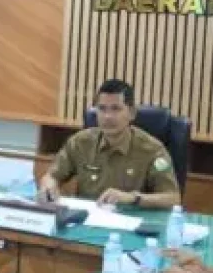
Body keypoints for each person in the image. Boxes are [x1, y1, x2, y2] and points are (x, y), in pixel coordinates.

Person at [38, 79, 180, 209]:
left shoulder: (152, 150)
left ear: (132, 113)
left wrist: (132, 198)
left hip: (130, 224)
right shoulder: (80, 143)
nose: (108, 117)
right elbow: (52, 176)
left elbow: (172, 198)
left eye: (116, 109)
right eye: (102, 109)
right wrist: (49, 186)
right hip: (85, 223)